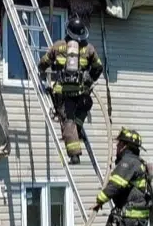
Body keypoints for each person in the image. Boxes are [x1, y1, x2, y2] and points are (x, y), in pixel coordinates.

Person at [37, 15, 104, 164]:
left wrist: (41, 71)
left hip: (62, 92)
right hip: (80, 92)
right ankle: (78, 128)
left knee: (68, 121)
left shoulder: (58, 46)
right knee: (87, 103)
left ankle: (74, 155)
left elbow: (43, 63)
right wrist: (89, 81)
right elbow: (98, 67)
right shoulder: (89, 49)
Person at [93, 127, 152, 226]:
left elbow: (115, 185)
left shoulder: (127, 163)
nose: (117, 147)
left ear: (124, 146)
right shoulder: (139, 163)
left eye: (119, 144)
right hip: (140, 216)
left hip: (130, 216)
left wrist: (99, 200)